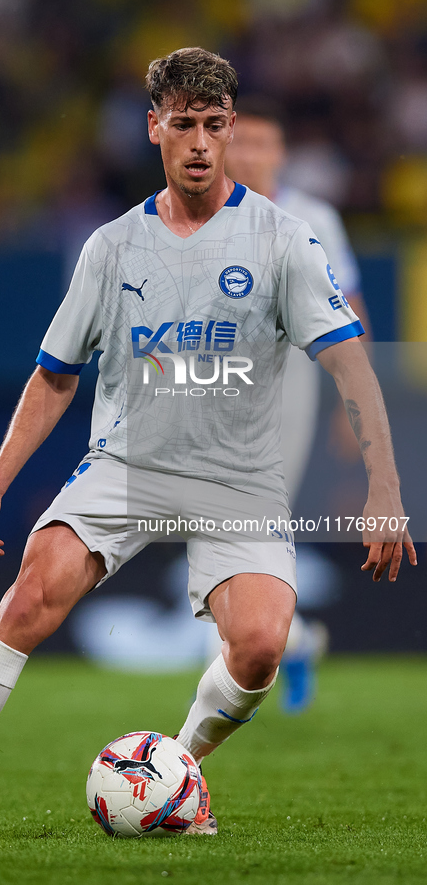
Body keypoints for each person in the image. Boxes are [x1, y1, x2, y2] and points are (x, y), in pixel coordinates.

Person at [0, 47, 415, 840]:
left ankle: (177, 773)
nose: (199, 142)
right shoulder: (111, 247)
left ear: (229, 127)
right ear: (154, 127)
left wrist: (385, 489)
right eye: (183, 124)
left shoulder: (284, 240)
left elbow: (352, 367)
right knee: (28, 596)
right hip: (126, 468)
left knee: (261, 645)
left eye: (213, 124)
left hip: (238, 481)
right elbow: (53, 376)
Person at [223, 96, 372, 712]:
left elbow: (349, 309)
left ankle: (255, 652)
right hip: (213, 379)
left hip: (288, 378)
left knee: (249, 515)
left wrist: (352, 404)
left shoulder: (313, 217)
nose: (253, 153)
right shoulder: (203, 208)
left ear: (282, 153)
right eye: (243, 142)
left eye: (265, 143)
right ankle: (294, 639)